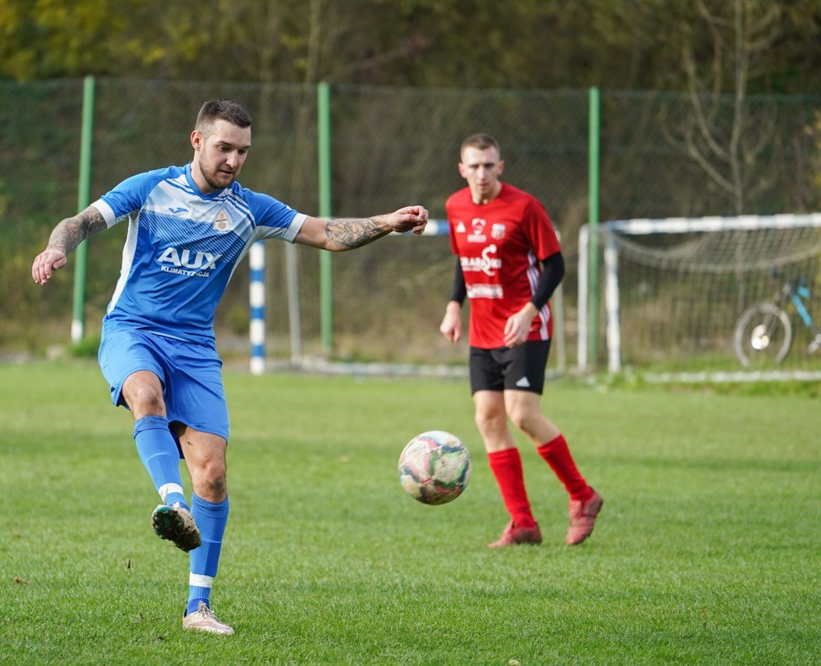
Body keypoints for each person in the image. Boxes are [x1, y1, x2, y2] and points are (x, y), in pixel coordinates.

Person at [32, 98, 428, 635]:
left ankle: (198, 609)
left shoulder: (250, 209)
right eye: (224, 148)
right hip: (134, 329)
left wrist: (387, 222)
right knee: (145, 396)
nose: (234, 160)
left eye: (243, 151)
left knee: (214, 476)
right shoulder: (151, 188)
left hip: (195, 348)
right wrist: (56, 248)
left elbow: (324, 233)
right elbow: (79, 221)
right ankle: (171, 502)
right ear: (196, 141)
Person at [438, 134, 602, 548]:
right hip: (483, 330)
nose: (481, 174)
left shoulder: (525, 207)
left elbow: (555, 265)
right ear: (461, 170)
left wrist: (529, 310)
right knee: (488, 418)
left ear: (500, 167)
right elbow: (464, 260)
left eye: (488, 165)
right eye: (474, 166)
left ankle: (583, 496)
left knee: (522, 415)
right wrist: (454, 306)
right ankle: (522, 522)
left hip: (526, 327)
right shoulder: (455, 206)